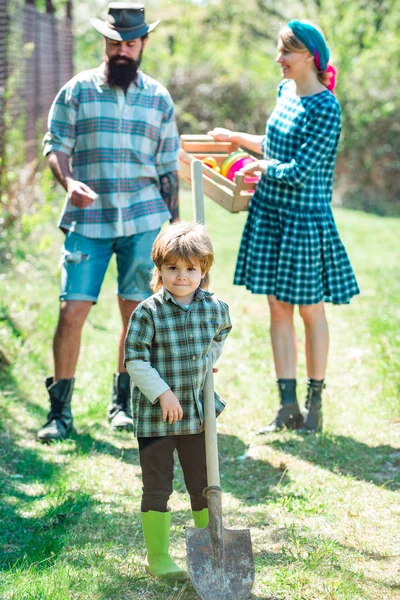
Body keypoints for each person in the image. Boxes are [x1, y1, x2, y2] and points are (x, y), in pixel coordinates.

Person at [37, 3, 180, 442]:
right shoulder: (77, 91)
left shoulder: (158, 98)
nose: (122, 50)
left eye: (130, 43)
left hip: (143, 218)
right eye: (115, 42)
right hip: (89, 218)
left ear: (143, 45)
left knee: (135, 314)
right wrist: (68, 181)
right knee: (72, 309)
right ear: (104, 42)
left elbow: (168, 168)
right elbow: (54, 144)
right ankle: (59, 412)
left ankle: (122, 403)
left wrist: (174, 229)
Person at [209, 20, 359, 433]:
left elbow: (299, 169)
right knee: (277, 308)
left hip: (302, 220)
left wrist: (261, 166)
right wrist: (235, 138)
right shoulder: (285, 92)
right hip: (271, 213)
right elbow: (276, 144)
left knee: (310, 310)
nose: (278, 60)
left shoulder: (326, 108)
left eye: (285, 53)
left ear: (308, 56)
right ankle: (287, 406)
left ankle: (315, 406)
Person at [124, 222, 232, 580]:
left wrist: (207, 362)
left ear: (204, 270)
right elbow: (135, 360)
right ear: (159, 269)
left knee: (203, 481)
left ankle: (208, 549)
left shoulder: (215, 308)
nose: (181, 276)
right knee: (158, 483)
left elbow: (220, 336)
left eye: (190, 269)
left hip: (198, 415)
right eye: (172, 268)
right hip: (158, 416)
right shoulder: (147, 312)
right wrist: (163, 392)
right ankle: (158, 558)